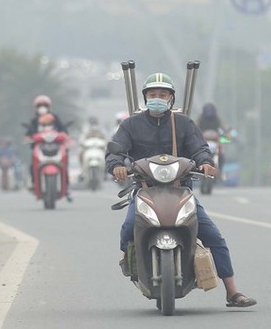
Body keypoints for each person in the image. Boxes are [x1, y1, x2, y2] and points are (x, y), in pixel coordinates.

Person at [106, 72, 256, 308]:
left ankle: (232, 291)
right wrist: (116, 166)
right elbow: (116, 150)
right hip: (145, 190)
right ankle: (133, 263)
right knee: (127, 230)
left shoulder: (184, 123)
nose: (158, 98)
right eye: (152, 94)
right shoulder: (130, 125)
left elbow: (200, 148)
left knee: (213, 237)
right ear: (145, 98)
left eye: (162, 94)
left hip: (180, 190)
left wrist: (206, 162)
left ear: (171, 98)